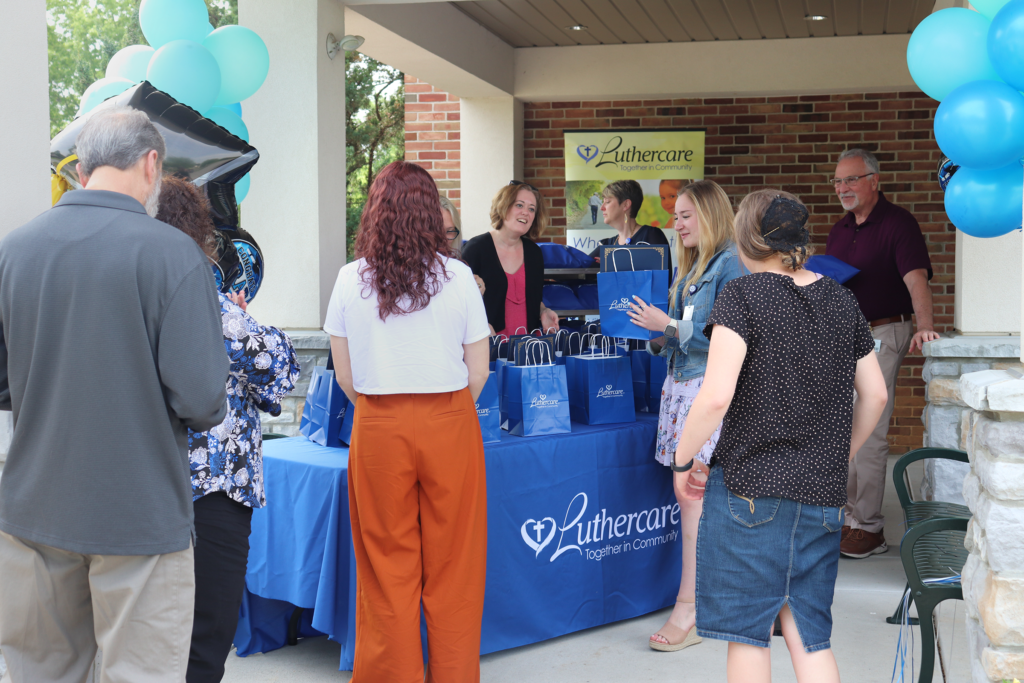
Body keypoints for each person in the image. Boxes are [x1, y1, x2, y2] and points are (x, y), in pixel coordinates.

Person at [0, 107, 229, 683]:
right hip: (140, 516)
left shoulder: (13, 250)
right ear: (152, 163)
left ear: (81, 168)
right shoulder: (174, 256)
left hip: (33, 509)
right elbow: (203, 399)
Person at [671, 189, 888, 683]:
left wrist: (683, 462)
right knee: (809, 636)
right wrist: (842, 451)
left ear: (745, 239)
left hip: (752, 490)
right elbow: (874, 394)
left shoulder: (742, 296)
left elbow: (715, 397)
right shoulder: (840, 298)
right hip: (822, 493)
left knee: (749, 637)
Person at [324, 161, 491, 682]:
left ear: (375, 209)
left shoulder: (351, 279)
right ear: (430, 213)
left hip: (378, 424)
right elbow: (478, 370)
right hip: (449, 417)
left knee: (384, 566)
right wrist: (446, 408)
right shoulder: (460, 277)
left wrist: (382, 406)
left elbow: (345, 376)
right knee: (455, 567)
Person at [154, 176, 301, 683]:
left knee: (153, 634)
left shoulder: (136, 294)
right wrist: (239, 319)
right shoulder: (210, 304)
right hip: (215, 492)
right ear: (202, 239)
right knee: (204, 635)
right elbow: (283, 368)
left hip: (149, 484)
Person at [626, 179, 744, 652]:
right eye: (674, 215)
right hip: (682, 387)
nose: (676, 223)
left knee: (693, 498)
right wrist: (653, 334)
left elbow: (725, 337)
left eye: (685, 215)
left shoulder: (731, 263)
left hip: (707, 392)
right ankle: (727, 602)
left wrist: (668, 325)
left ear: (711, 214)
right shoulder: (693, 264)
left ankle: (690, 610)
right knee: (697, 500)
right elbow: (679, 339)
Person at [825, 148, 939, 559]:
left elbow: (917, 278)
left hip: (884, 330)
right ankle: (851, 517)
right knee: (845, 426)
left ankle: (869, 527)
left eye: (851, 180)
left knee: (870, 428)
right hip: (845, 336)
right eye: (838, 182)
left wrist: (925, 324)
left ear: (874, 180)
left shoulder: (898, 223)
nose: (842, 189)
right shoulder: (840, 228)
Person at [463, 181, 560, 335]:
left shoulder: (534, 253)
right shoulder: (476, 249)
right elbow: (460, 303)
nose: (525, 212)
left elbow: (532, 298)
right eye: (519, 205)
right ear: (503, 206)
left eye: (531, 209)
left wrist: (544, 311)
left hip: (528, 350)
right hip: (488, 351)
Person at [589, 180, 670, 262]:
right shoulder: (605, 245)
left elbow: (661, 274)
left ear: (626, 205)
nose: (601, 207)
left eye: (607, 202)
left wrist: (612, 264)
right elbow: (579, 268)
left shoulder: (651, 236)